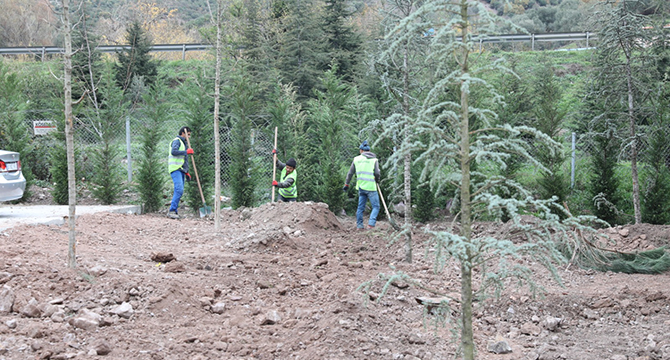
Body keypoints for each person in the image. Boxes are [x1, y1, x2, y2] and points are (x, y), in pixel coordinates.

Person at [343, 140, 381, 230]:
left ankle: (359, 225)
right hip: (371, 187)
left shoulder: (356, 159)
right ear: (369, 150)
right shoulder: (374, 160)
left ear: (361, 150)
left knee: (360, 207)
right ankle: (371, 224)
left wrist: (346, 184)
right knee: (376, 206)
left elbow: (350, 173)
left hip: (361, 187)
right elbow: (377, 172)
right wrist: (377, 180)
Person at [167, 126, 193, 219]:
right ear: (183, 133)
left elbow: (183, 160)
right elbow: (174, 152)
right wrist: (186, 151)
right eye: (188, 135)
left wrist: (186, 172)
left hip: (181, 170)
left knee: (179, 191)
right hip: (175, 169)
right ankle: (172, 211)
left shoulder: (183, 143)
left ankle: (174, 211)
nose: (189, 137)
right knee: (179, 190)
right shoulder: (177, 141)